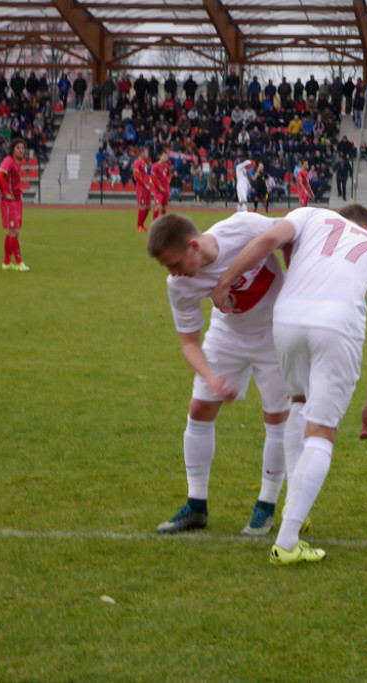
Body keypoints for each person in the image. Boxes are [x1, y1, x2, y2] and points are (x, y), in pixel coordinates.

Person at [211, 204, 367, 565]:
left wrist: (225, 280)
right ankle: (287, 540)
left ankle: (295, 507)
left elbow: (269, 239)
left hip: (288, 316)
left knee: (299, 399)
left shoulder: (311, 214)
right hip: (336, 324)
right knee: (322, 431)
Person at [147, 212, 293, 537]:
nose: (172, 273)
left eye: (173, 263)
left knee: (277, 418)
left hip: (276, 332)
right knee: (199, 409)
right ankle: (196, 505)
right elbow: (189, 344)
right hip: (228, 334)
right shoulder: (179, 285)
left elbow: (291, 233)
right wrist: (212, 379)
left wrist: (294, 280)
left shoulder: (243, 227)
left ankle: (265, 508)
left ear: (194, 245)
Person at [0, 137, 29, 272]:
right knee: (14, 232)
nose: (21, 150)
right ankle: (19, 262)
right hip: (9, 202)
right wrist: (4, 192)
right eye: (18, 148)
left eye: (22, 148)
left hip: (16, 201)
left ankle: (7, 262)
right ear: (13, 149)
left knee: (12, 232)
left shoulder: (17, 162)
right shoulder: (8, 161)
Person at [132, 147, 153, 232]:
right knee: (143, 206)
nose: (147, 154)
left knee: (148, 206)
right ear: (141, 153)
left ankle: (142, 225)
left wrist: (149, 179)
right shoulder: (137, 162)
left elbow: (144, 174)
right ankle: (139, 226)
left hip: (147, 186)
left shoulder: (144, 162)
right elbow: (136, 176)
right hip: (141, 187)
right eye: (146, 152)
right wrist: (144, 184)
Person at [150, 151, 172, 221]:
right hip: (158, 189)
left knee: (164, 207)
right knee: (158, 206)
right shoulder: (155, 166)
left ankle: (163, 224)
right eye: (164, 156)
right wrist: (159, 186)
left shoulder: (166, 166)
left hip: (166, 189)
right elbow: (153, 177)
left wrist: (168, 180)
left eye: (166, 157)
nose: (165, 158)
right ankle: (155, 223)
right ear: (160, 157)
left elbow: (169, 175)